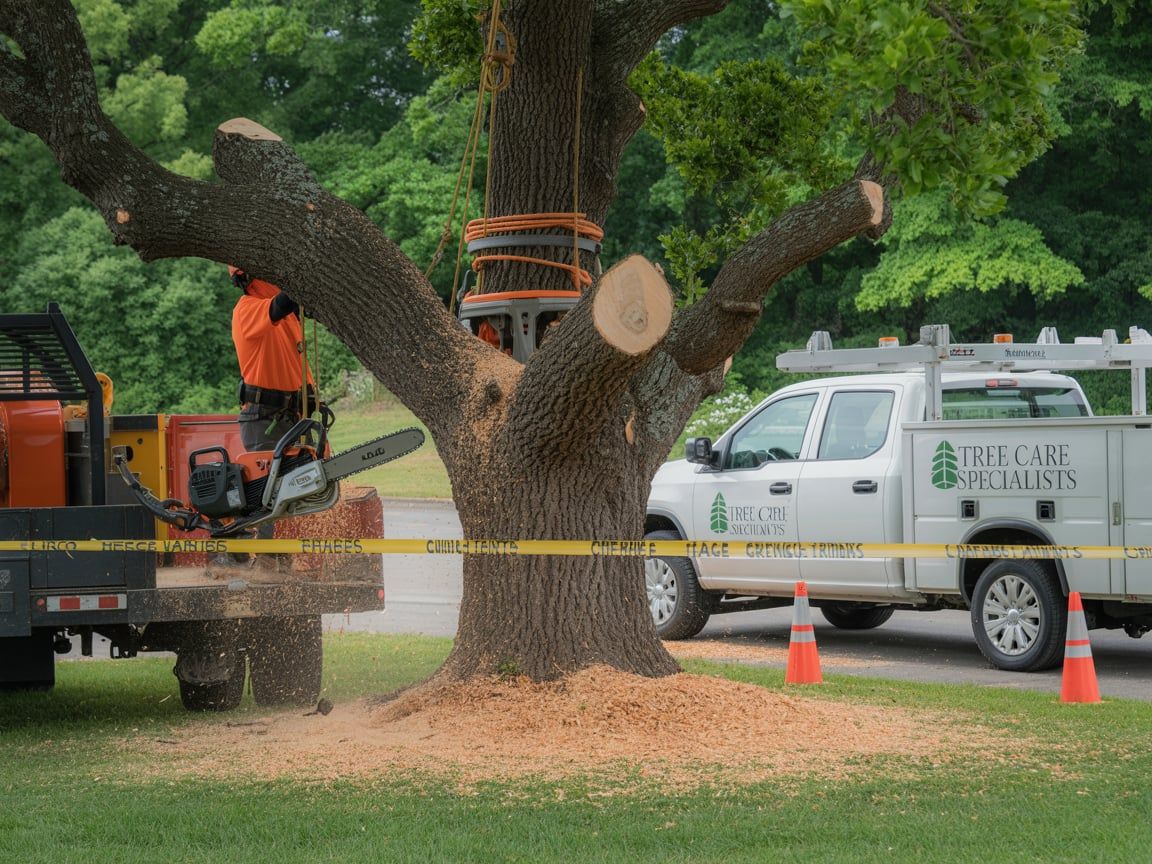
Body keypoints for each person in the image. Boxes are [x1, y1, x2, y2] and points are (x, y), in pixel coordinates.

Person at [213, 266, 314, 572]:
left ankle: (270, 555)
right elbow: (282, 302)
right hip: (264, 418)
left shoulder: (289, 319)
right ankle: (256, 556)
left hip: (289, 413)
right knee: (268, 492)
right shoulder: (248, 310)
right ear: (251, 277)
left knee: (285, 491)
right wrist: (305, 270)